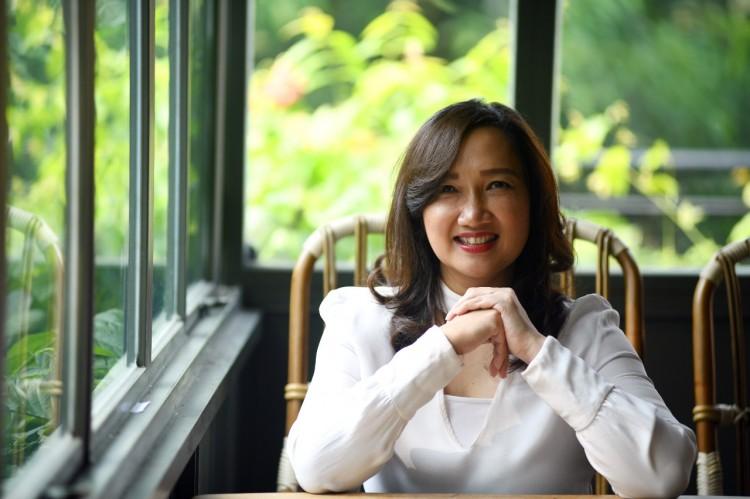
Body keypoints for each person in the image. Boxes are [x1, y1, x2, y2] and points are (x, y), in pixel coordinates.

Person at [287, 99, 696, 497]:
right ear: (418, 209)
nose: (473, 214)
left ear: (533, 203)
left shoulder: (584, 329)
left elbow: (663, 475)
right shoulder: (361, 321)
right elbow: (316, 469)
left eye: (498, 185)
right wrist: (442, 347)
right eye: (447, 189)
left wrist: (538, 351)